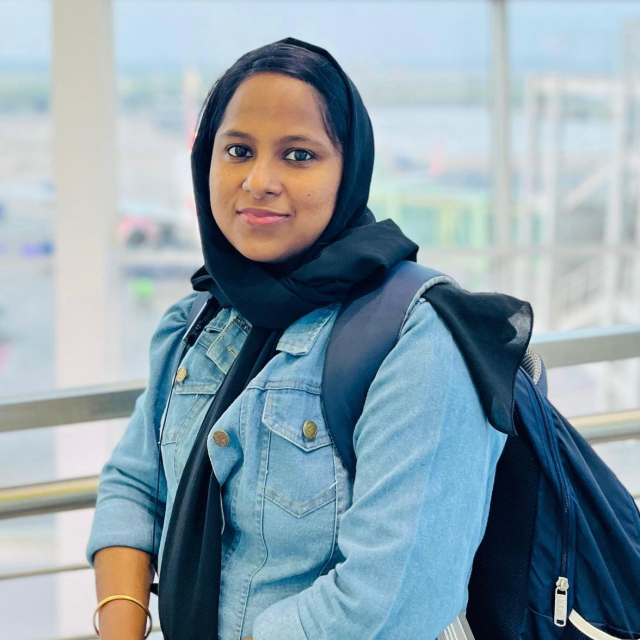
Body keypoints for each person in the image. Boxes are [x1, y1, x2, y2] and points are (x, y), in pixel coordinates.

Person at [86, 37, 509, 640]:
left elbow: (390, 602)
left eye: (299, 155)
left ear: (348, 170)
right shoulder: (197, 322)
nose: (259, 181)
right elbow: (135, 486)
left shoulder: (415, 339)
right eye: (238, 150)